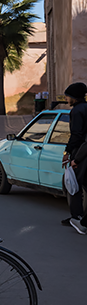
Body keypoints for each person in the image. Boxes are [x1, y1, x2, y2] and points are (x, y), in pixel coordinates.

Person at [62, 81, 87, 233]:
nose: (66, 99)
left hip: (81, 152)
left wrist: (68, 153)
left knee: (74, 185)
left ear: (74, 97)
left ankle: (76, 217)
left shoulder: (77, 111)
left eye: (68, 96)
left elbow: (76, 135)